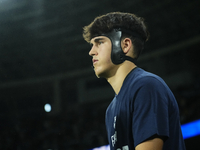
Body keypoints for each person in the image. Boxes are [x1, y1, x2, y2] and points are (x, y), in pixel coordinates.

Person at [82, 12, 186, 150]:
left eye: (100, 42)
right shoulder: (110, 110)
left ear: (125, 45)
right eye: (92, 45)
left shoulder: (146, 86)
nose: (91, 52)